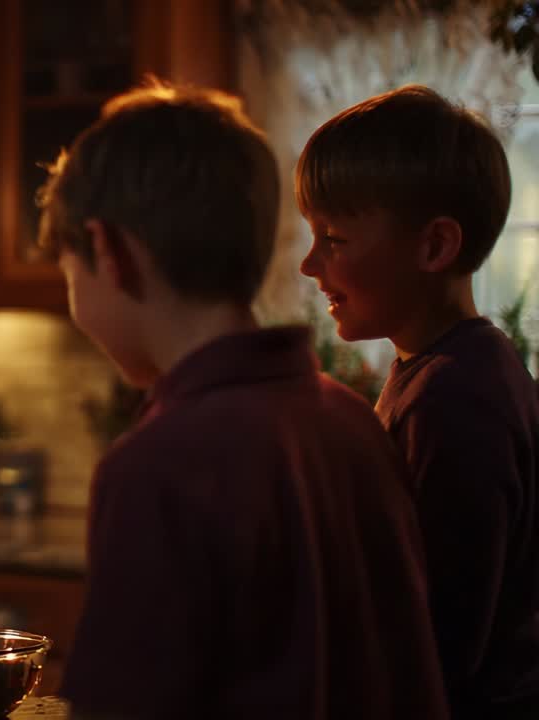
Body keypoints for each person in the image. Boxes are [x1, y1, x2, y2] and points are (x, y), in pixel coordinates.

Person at [37, 79, 448, 719]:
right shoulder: (350, 422)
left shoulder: (159, 467)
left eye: (69, 273)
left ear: (109, 251)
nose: (74, 301)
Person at [297, 84, 539, 719]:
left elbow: (434, 645)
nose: (309, 263)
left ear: (435, 246)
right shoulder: (451, 368)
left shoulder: (454, 401)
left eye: (334, 238)